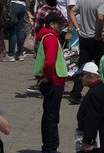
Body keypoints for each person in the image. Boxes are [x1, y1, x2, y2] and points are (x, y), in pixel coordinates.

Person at [34, 10, 69, 153]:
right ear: (51, 24)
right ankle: (50, 147)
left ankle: (49, 146)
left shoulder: (47, 36)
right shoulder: (51, 38)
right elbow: (49, 62)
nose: (61, 27)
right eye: (59, 24)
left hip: (52, 81)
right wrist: (48, 77)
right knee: (52, 117)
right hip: (54, 82)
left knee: (49, 115)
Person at [69, 0, 104, 105]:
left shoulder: (83, 0)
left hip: (84, 38)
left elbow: (72, 12)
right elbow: (101, 18)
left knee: (82, 66)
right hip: (96, 39)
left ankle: (75, 93)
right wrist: (98, 33)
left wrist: (77, 28)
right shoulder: (101, 2)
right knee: (102, 66)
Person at [76, 62, 104, 152]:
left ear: (90, 76)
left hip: (95, 141)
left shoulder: (94, 93)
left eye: (82, 75)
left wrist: (88, 141)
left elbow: (92, 118)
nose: (80, 78)